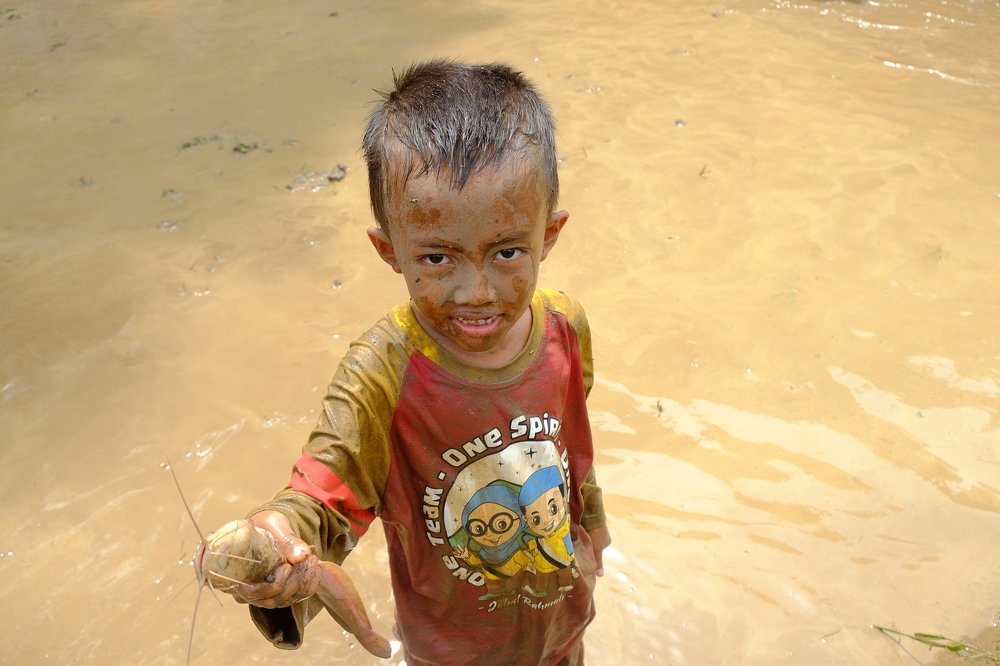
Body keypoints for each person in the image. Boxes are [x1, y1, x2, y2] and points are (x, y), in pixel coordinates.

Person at [228, 59, 611, 665]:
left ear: (549, 235)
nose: (476, 292)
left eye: (507, 252)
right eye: (437, 259)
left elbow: (573, 451)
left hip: (562, 620)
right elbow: (323, 495)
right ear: (389, 250)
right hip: (451, 649)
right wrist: (277, 536)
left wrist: (596, 528)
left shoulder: (565, 326)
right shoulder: (382, 372)